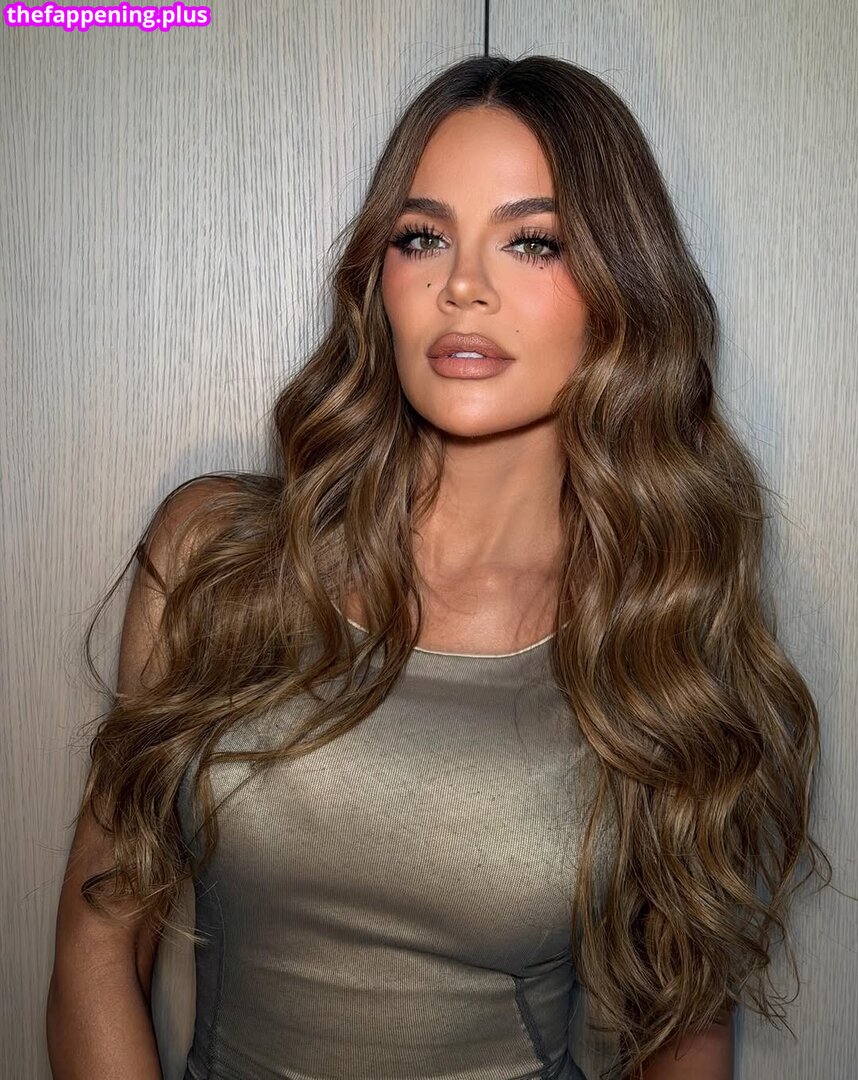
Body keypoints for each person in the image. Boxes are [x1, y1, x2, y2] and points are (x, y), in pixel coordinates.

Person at [46, 54, 830, 1080]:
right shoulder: (218, 558)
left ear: (622, 293)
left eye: (534, 243)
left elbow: (686, 1032)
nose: (463, 286)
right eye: (422, 237)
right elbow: (99, 939)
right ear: (379, 278)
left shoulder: (658, 635)